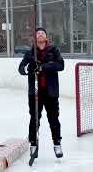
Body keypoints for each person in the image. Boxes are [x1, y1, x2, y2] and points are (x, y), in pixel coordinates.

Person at [18, 27, 64, 159]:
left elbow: (61, 65)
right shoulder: (31, 52)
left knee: (53, 119)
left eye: (42, 33)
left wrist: (44, 67)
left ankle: (57, 144)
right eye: (38, 33)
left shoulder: (53, 50)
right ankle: (33, 144)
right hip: (35, 93)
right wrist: (28, 68)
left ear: (46, 37)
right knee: (34, 119)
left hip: (51, 92)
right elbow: (21, 68)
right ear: (35, 38)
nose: (40, 35)